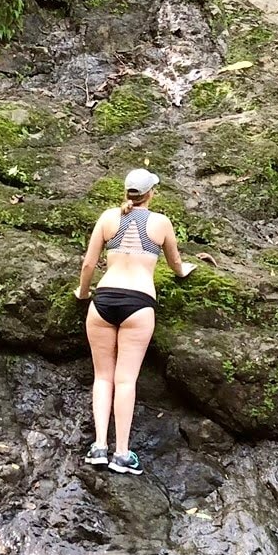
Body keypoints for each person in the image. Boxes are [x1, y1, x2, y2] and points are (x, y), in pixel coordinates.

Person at [74, 167, 190, 474]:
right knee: (125, 380)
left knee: (102, 377)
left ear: (126, 192)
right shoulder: (161, 222)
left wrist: (83, 294)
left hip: (104, 300)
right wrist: (183, 272)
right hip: (139, 303)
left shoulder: (108, 217)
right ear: (152, 192)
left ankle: (99, 447)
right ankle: (122, 454)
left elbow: (88, 263)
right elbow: (175, 262)